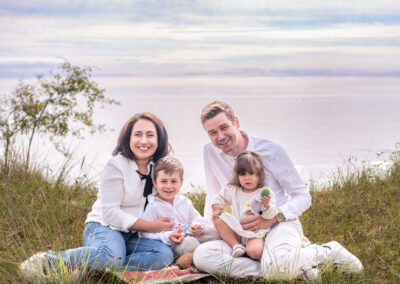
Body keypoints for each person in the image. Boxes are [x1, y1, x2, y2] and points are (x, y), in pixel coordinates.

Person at [193, 100, 363, 280]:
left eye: (224, 127)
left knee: (275, 268)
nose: (220, 137)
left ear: (236, 122)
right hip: (244, 231)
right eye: (213, 133)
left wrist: (274, 217)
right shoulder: (209, 152)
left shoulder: (271, 151)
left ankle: (326, 252)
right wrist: (209, 226)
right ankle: (281, 266)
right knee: (201, 256)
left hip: (280, 224)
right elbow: (213, 195)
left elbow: (302, 196)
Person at [20, 113, 175, 277]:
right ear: (128, 138)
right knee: (110, 258)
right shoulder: (116, 164)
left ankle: (94, 271)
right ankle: (47, 260)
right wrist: (150, 226)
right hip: (104, 227)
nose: (144, 141)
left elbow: (170, 202)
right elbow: (110, 213)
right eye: (138, 134)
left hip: (134, 234)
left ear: (159, 139)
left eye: (150, 135)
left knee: (164, 256)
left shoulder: (159, 168)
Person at [139, 156, 218, 257]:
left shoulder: (185, 202)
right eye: (163, 181)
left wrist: (197, 226)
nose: (169, 186)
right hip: (176, 244)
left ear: (181, 183)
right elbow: (144, 234)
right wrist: (168, 236)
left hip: (191, 234)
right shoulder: (153, 206)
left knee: (215, 230)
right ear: (155, 183)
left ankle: (212, 250)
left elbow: (197, 218)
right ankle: (203, 255)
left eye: (174, 181)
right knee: (190, 244)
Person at [212, 151, 278, 260]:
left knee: (255, 252)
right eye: (242, 174)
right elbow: (219, 197)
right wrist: (216, 207)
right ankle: (236, 246)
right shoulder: (234, 190)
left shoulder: (264, 193)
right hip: (237, 230)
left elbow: (270, 215)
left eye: (251, 173)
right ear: (237, 176)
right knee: (218, 218)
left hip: (254, 234)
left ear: (259, 175)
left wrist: (266, 206)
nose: (247, 178)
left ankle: (251, 252)